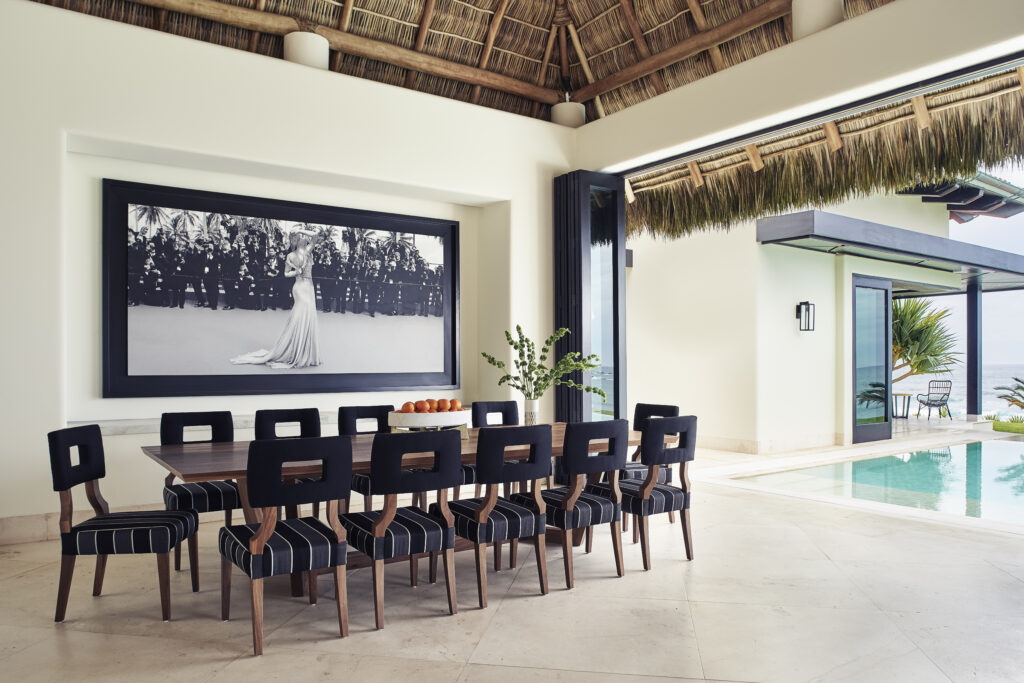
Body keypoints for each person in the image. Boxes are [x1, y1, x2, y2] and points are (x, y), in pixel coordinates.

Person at [230, 229, 322, 369]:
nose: (304, 238)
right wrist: (296, 272)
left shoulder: (308, 251)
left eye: (304, 237)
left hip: (309, 288)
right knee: (299, 316)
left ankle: (304, 351)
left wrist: (300, 229)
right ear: (296, 241)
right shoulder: (291, 255)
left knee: (308, 316)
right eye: (300, 237)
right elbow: (286, 273)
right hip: (299, 288)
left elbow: (316, 235)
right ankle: (293, 349)